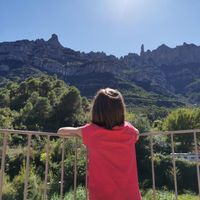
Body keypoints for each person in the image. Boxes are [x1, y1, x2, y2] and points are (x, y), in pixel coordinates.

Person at [57, 88, 141, 200]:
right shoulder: (129, 131)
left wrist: (79, 132)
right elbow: (137, 134)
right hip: (130, 196)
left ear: (97, 110)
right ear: (120, 110)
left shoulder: (92, 132)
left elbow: (61, 132)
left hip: (102, 195)